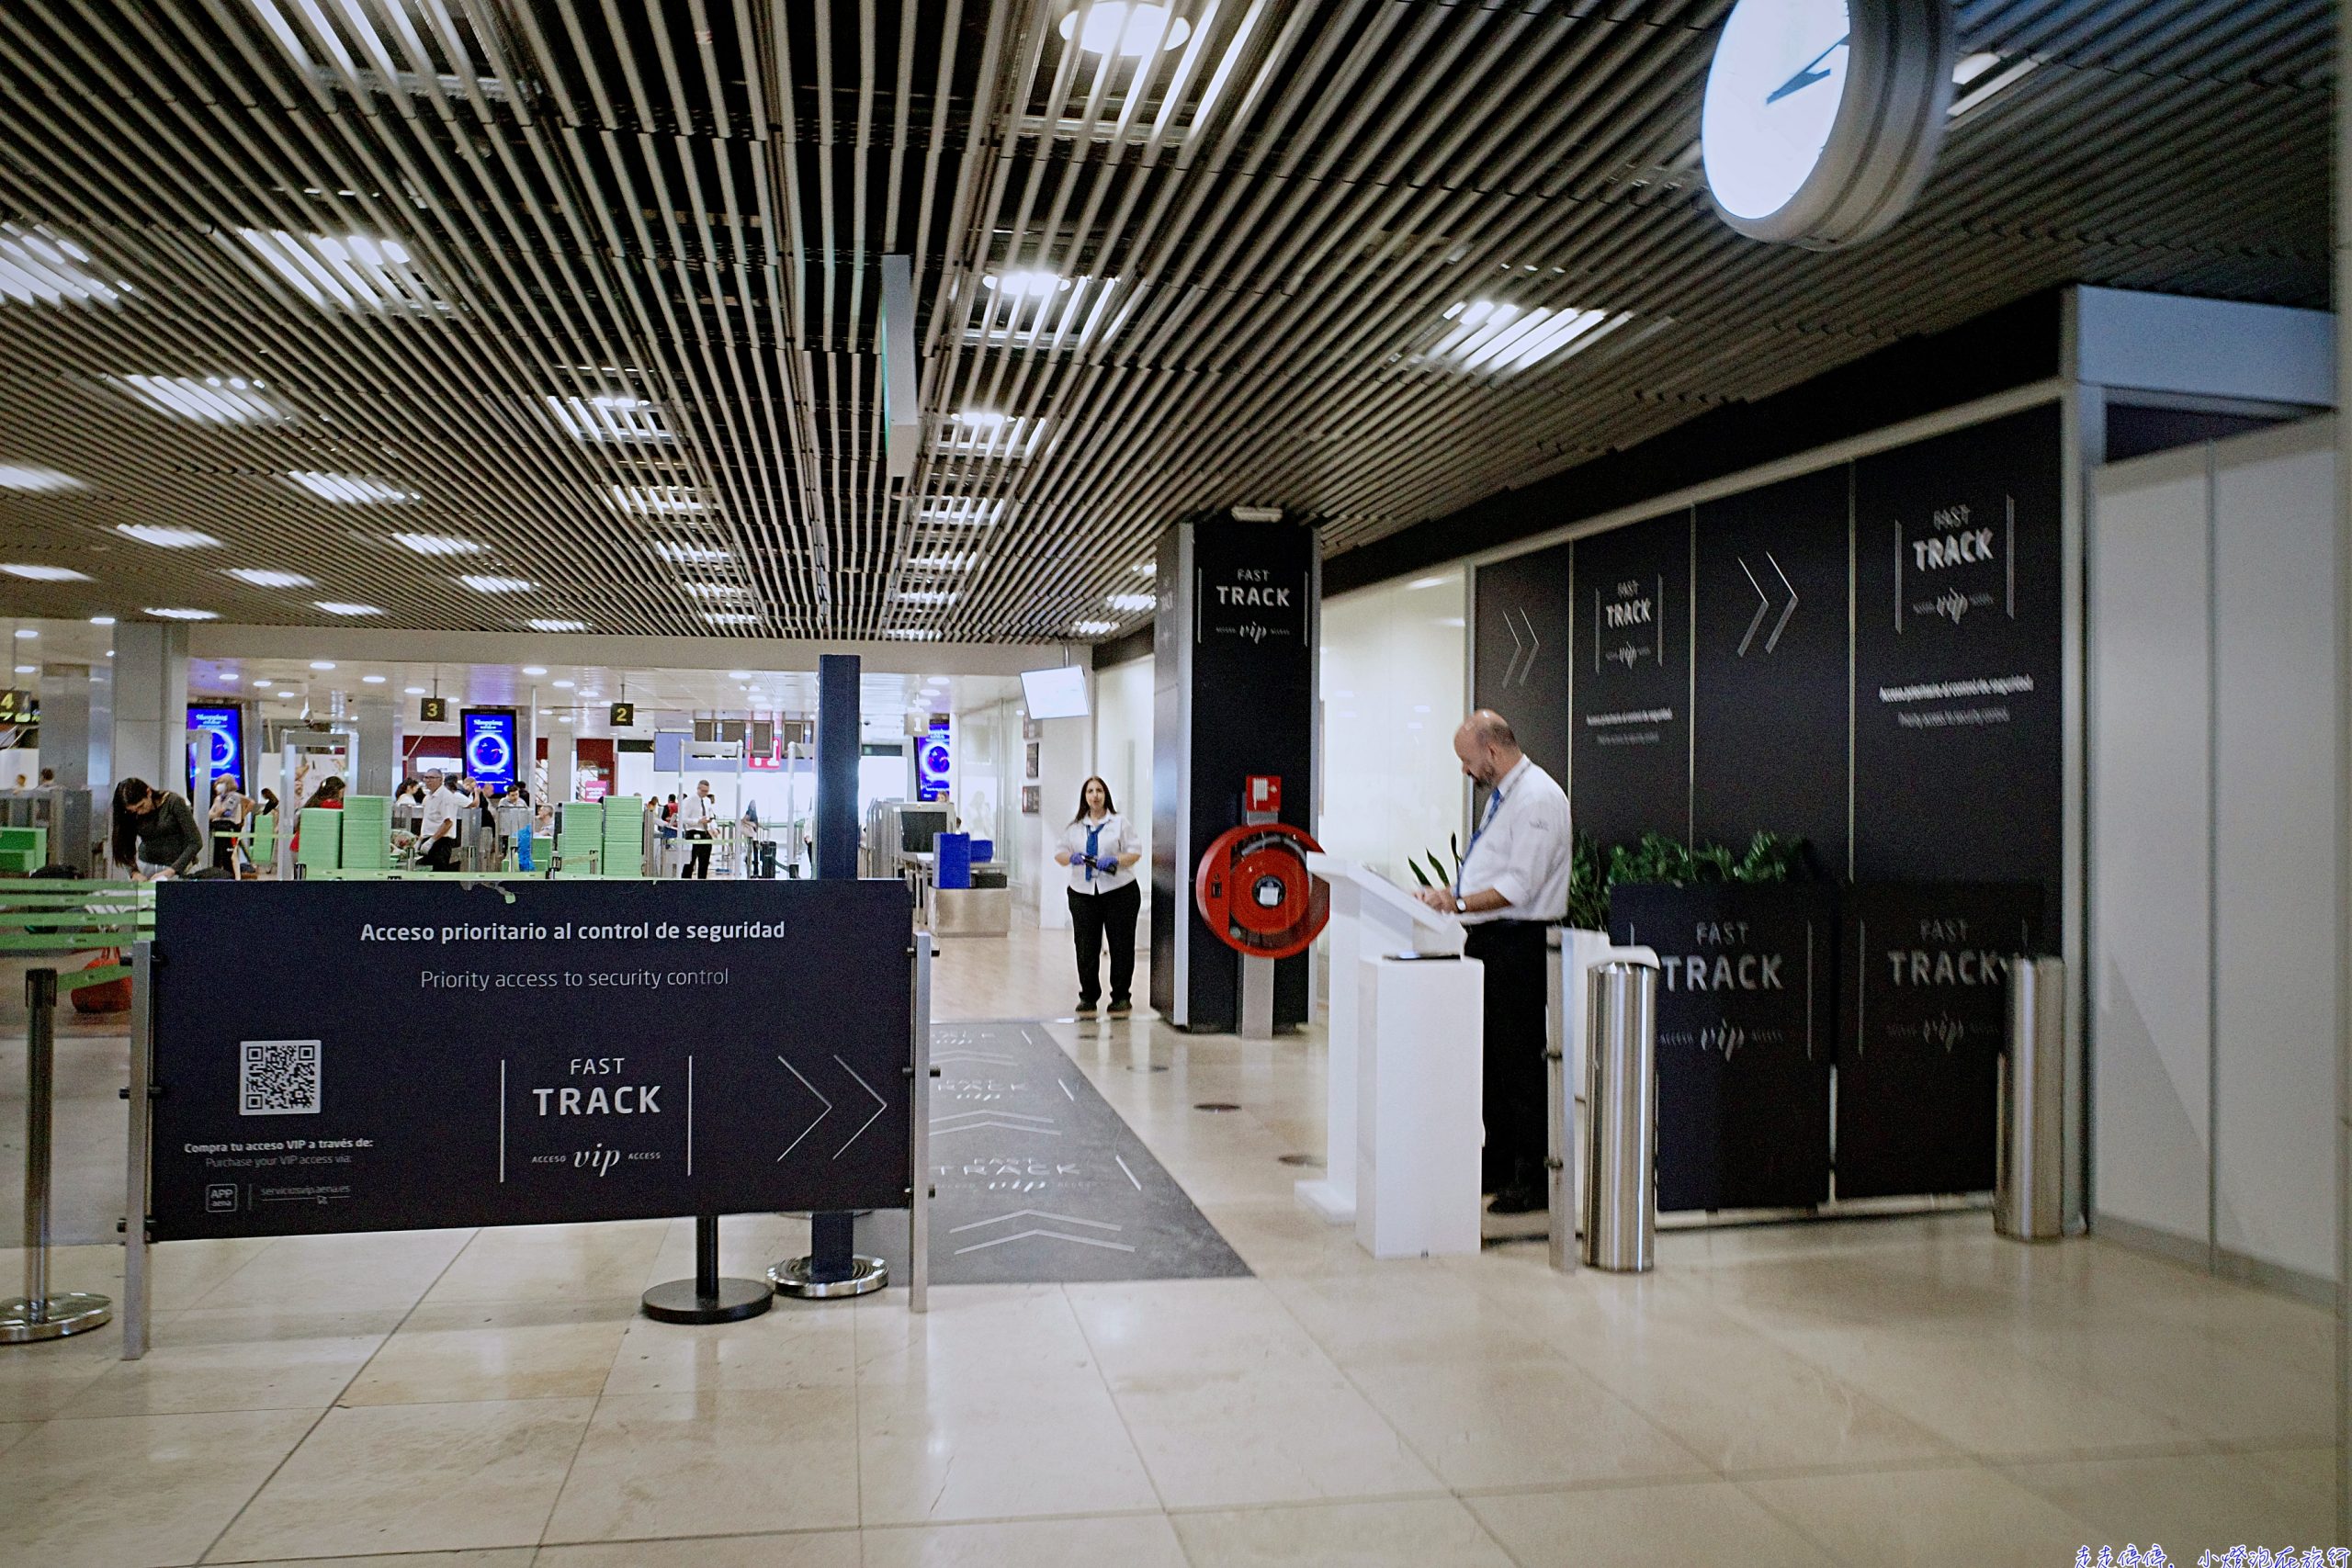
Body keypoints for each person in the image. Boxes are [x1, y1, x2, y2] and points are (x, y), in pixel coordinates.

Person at [1415, 710, 1571, 1215]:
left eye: (1467, 760)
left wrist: (1455, 904)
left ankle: (1534, 1176)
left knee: (1519, 1065)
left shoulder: (1539, 799)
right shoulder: (1506, 797)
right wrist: (1452, 898)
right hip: (1492, 944)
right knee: (1492, 1064)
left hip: (1519, 946)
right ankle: (1500, 1163)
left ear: (1493, 752)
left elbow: (1518, 888)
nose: (1465, 771)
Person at [1055, 776, 1142, 1017]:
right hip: (1083, 893)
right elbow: (1060, 853)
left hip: (1119, 891)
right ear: (1085, 797)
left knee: (1121, 945)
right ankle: (1088, 996)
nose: (1095, 795)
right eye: (1090, 791)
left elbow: (1135, 852)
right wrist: (1070, 858)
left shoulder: (1119, 823)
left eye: (1099, 791)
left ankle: (1121, 996)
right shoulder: (1075, 827)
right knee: (1086, 947)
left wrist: (1115, 860)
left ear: (1106, 795)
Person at [109, 777, 204, 880]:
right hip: (146, 868)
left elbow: (195, 842)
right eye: (134, 810)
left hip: (180, 868)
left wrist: (172, 870)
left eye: (141, 806)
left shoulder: (174, 802)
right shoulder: (131, 813)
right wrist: (133, 872)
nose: (139, 812)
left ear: (149, 792)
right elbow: (123, 846)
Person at [416, 769, 470, 872]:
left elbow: (448, 823)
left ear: (441, 780)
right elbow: (428, 821)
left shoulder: (445, 796)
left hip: (440, 842)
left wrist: (432, 841)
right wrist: (420, 840)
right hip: (428, 839)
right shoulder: (429, 797)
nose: (428, 780)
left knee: (439, 875)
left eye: (432, 778)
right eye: (426, 778)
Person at [207, 774, 247, 872]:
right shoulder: (218, 798)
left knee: (227, 856)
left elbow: (221, 811)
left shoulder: (234, 796)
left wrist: (218, 806)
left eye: (221, 783)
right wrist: (216, 811)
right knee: (216, 855)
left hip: (227, 827)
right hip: (216, 827)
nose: (218, 785)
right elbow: (210, 815)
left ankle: (228, 875)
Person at [679, 779, 717, 878]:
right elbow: (683, 818)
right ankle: (685, 883)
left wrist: (714, 828)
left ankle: (702, 883)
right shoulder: (689, 801)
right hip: (693, 831)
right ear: (698, 789)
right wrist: (698, 821)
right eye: (703, 791)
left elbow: (711, 816)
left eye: (707, 791)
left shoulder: (707, 801)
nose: (705, 793)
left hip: (705, 832)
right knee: (690, 862)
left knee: (704, 862)